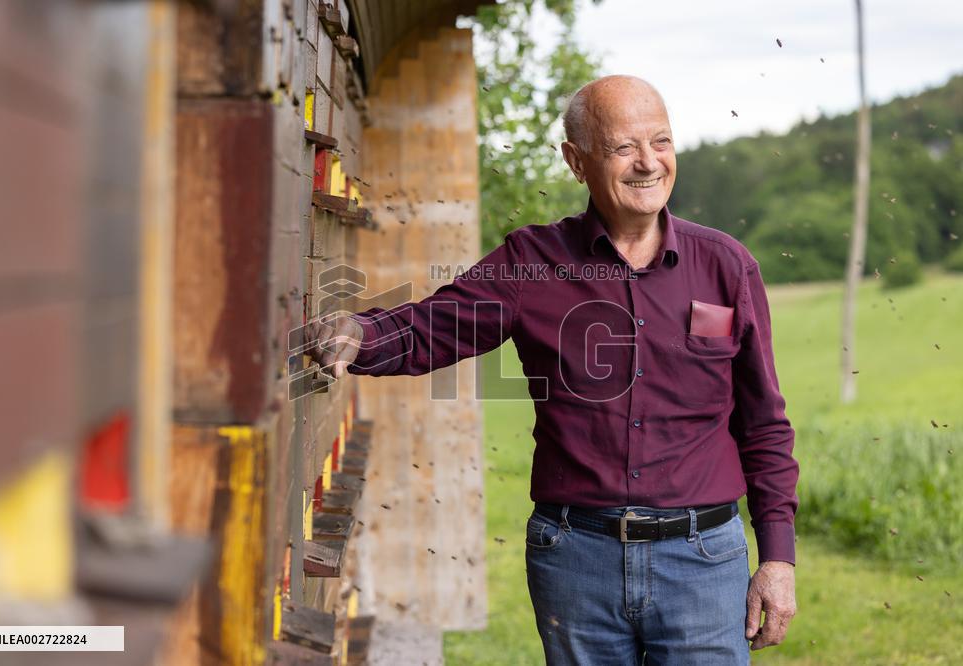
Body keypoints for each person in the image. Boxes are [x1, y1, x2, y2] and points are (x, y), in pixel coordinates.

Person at [304, 75, 798, 665]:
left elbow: (764, 422)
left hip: (704, 561)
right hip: (576, 560)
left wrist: (777, 558)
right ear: (576, 160)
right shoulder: (532, 263)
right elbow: (435, 326)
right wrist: (359, 335)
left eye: (661, 142)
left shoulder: (726, 266)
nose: (648, 163)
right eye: (623, 148)